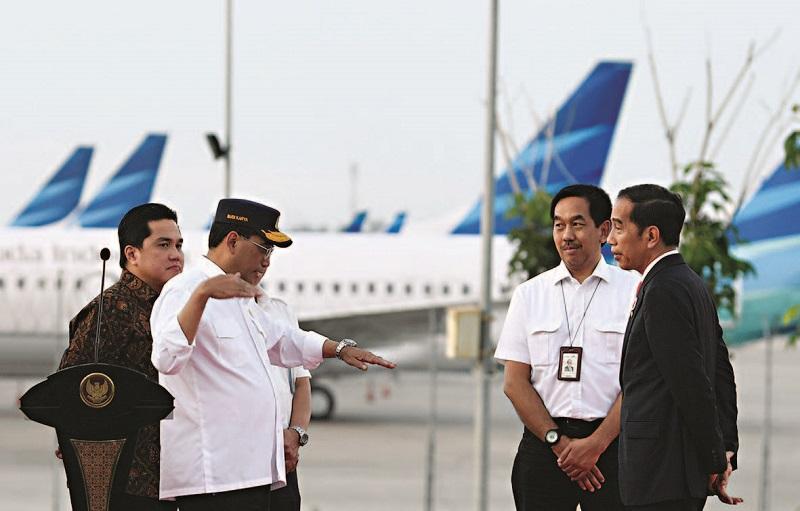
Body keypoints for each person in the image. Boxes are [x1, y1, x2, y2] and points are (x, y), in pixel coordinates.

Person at [150, 198, 395, 511]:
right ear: (233, 241)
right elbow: (166, 359)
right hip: (214, 476)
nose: (267, 261)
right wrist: (202, 297)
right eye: (263, 249)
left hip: (250, 471)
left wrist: (339, 348)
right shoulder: (185, 289)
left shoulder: (238, 296)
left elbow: (284, 339)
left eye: (271, 253)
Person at [495, 184, 639, 510]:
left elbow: (640, 380)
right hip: (544, 448)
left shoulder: (634, 291)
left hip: (612, 450)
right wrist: (559, 444)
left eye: (577, 223)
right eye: (558, 225)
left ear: (603, 230)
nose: (566, 235)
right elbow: (514, 383)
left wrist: (596, 445)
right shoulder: (529, 294)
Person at [607, 184, 741, 510]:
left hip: (661, 477)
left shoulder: (663, 290)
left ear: (651, 236)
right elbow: (721, 373)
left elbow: (692, 383)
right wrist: (724, 449)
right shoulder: (689, 282)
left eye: (620, 227)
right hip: (676, 474)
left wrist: (714, 459)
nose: (610, 238)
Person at [58, 203, 184, 511]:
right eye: (163, 245)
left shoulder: (170, 308)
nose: (176, 255)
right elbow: (71, 385)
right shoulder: (112, 308)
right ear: (132, 254)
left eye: (179, 245)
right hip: (122, 481)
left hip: (169, 477)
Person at [259, 295, 312, 511]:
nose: (265, 263)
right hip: (238, 463)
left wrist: (296, 434)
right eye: (261, 257)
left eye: (268, 257)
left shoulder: (280, 309)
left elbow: (301, 382)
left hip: (283, 458)